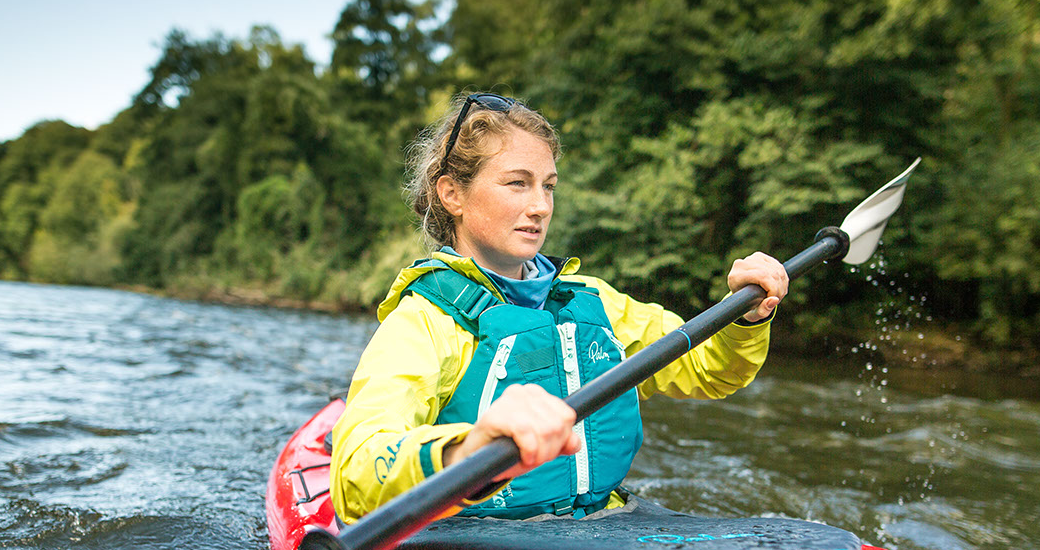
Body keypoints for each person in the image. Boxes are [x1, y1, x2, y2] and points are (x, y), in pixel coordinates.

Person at [331, 92, 789, 522]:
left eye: (548, 187)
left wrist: (747, 314)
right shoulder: (425, 321)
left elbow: (710, 368)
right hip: (472, 543)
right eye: (517, 183)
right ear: (452, 194)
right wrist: (467, 450)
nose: (540, 206)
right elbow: (357, 474)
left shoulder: (591, 301)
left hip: (602, 530)